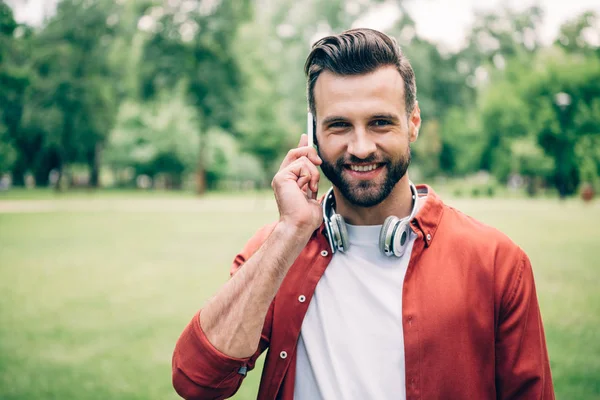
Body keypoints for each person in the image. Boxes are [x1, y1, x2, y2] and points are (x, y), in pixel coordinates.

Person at [172, 28, 555, 400]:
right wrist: (290, 232)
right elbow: (197, 383)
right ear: (314, 132)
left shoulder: (497, 262)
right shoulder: (276, 249)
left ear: (413, 123)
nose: (360, 146)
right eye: (339, 125)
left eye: (380, 122)